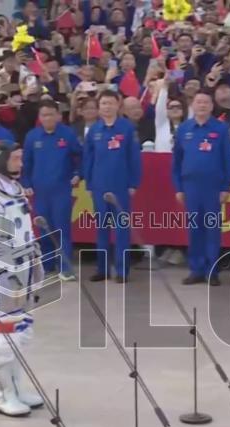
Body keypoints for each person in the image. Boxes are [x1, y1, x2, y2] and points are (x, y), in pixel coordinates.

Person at [0, 142, 45, 417]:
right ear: (1, 161)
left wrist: (34, 264)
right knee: (3, 335)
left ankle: (15, 386)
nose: (20, 163)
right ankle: (1, 393)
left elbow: (25, 228)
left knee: (21, 333)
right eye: (15, 158)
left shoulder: (14, 190)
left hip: (24, 267)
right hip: (4, 273)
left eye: (21, 158)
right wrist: (5, 275)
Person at [171, 90, 230, 286]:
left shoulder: (221, 129)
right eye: (198, 102)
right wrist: (179, 187)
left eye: (206, 102)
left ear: (211, 105)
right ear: (193, 105)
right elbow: (177, 161)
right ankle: (196, 269)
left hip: (213, 187)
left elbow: (228, 160)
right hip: (190, 186)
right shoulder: (184, 129)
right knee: (194, 229)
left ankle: (212, 271)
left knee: (212, 229)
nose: (202, 106)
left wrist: (226, 187)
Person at [81, 90, 142, 283]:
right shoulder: (94, 130)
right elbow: (88, 159)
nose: (107, 107)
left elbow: (134, 158)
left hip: (121, 186)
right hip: (99, 186)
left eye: (110, 103)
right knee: (101, 228)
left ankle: (122, 270)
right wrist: (89, 183)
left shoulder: (127, 129)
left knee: (122, 229)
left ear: (118, 105)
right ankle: (103, 268)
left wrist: (133, 183)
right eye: (103, 104)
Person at [22, 99, 82, 281]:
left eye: (50, 114)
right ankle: (47, 265)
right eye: (43, 115)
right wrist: (26, 183)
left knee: (62, 228)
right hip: (40, 191)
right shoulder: (32, 137)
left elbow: (80, 156)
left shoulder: (68, 135)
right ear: (39, 117)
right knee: (43, 229)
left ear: (58, 115)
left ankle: (66, 267)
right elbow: (26, 163)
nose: (47, 118)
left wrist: (78, 173)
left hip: (61, 189)